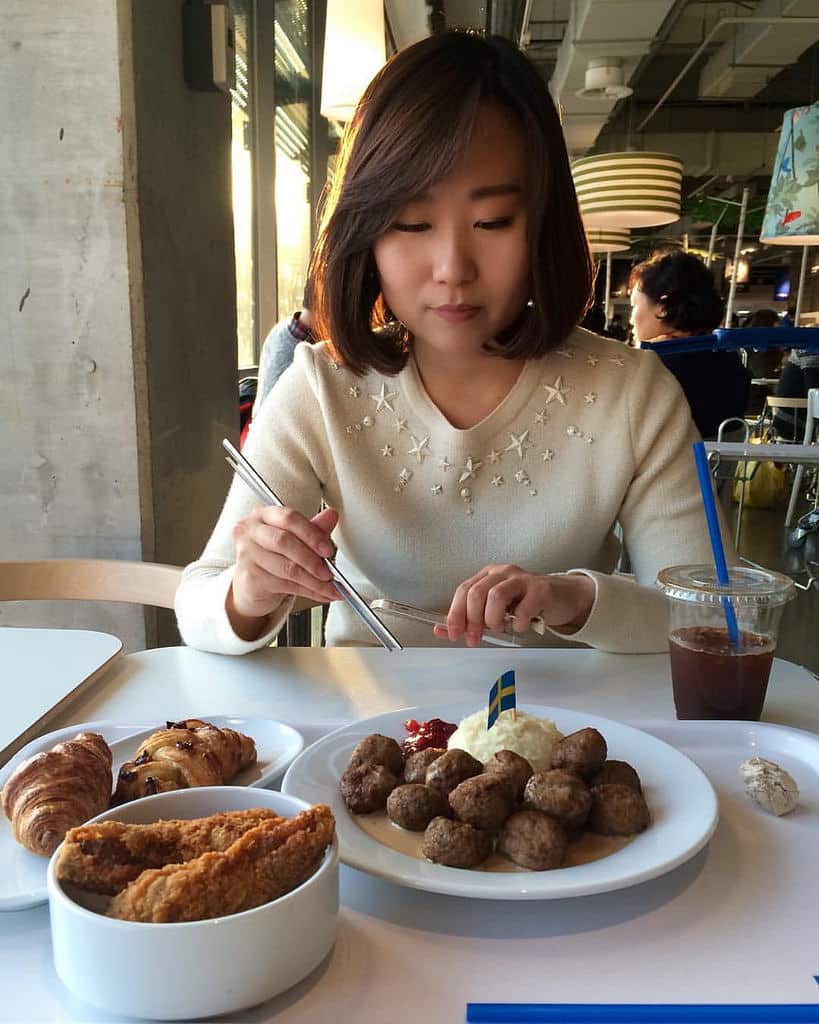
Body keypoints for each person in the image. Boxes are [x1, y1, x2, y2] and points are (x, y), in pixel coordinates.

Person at [175, 31, 718, 656]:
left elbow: (710, 614)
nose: (453, 267)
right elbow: (199, 603)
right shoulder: (323, 386)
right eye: (412, 223)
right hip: (368, 713)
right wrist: (249, 590)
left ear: (543, 226)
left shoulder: (633, 393)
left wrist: (576, 601)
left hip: (558, 715)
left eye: (493, 222)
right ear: (367, 230)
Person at [629, 251, 751, 440]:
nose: (631, 319)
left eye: (634, 306)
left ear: (663, 307)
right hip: (723, 459)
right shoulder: (727, 357)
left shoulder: (653, 367)